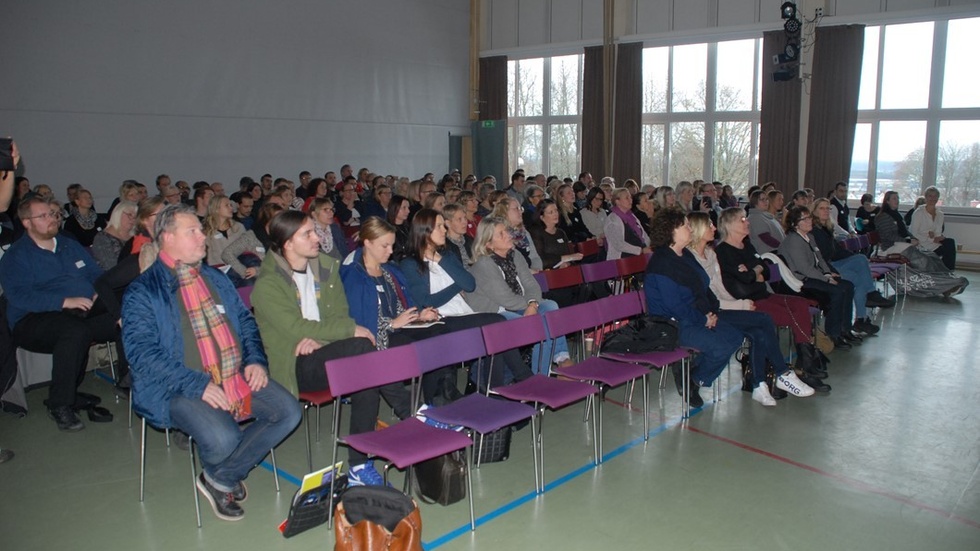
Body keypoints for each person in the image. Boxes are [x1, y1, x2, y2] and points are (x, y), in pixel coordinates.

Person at [122, 203, 301, 520]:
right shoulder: (143, 291)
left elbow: (246, 323)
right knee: (225, 438)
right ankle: (227, 468)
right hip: (178, 387)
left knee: (287, 411)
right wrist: (198, 384)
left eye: (200, 230)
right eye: (191, 231)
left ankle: (221, 476)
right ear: (166, 237)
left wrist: (256, 360)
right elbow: (142, 354)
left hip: (232, 373)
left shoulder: (214, 278)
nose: (201, 238)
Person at [251, 210, 404, 486]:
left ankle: (359, 464)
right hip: (295, 365)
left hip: (325, 351)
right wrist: (342, 332)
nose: (317, 238)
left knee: (364, 365)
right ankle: (410, 415)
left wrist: (322, 339)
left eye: (315, 231)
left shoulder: (325, 268)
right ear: (287, 243)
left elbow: (340, 315)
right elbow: (296, 329)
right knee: (361, 347)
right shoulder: (268, 285)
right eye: (307, 234)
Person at [0, 196, 124, 431]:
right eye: (43, 216)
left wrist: (99, 292)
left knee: (123, 320)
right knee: (75, 332)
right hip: (31, 319)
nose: (52, 219)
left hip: (80, 309)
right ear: (26, 222)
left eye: (53, 214)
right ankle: (60, 404)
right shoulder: (16, 256)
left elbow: (95, 274)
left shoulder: (68, 244)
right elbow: (19, 296)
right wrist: (63, 301)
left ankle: (128, 381)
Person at [686, 212, 815, 405]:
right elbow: (705, 298)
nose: (714, 228)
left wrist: (739, 300)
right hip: (706, 312)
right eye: (709, 225)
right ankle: (781, 373)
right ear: (697, 230)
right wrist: (740, 304)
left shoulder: (711, 254)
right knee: (763, 319)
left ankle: (759, 385)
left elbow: (721, 288)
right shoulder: (692, 259)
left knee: (758, 331)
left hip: (720, 306)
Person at [400, 209, 533, 393]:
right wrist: (457, 283)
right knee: (498, 322)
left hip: (465, 313)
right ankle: (523, 379)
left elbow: (469, 284)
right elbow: (428, 301)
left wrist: (439, 260)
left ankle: (494, 391)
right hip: (441, 318)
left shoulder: (446, 256)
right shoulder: (411, 263)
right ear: (425, 231)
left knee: (496, 335)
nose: (444, 230)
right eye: (439, 226)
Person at [713, 208, 829, 388]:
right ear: (729, 225)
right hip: (749, 303)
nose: (747, 222)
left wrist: (754, 271)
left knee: (800, 303)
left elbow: (765, 270)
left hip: (763, 294)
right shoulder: (723, 252)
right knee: (796, 315)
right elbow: (741, 286)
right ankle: (803, 367)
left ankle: (804, 363)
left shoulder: (747, 244)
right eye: (742, 219)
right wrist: (755, 272)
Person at [643, 209, 743, 408]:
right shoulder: (662, 263)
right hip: (672, 325)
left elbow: (702, 287)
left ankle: (693, 375)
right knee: (720, 346)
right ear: (672, 230)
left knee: (735, 337)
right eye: (685, 225)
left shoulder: (685, 255)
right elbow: (674, 306)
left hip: (695, 316)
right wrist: (704, 319)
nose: (690, 229)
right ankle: (694, 378)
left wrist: (711, 312)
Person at [465, 216, 572, 375]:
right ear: (488, 244)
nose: (508, 235)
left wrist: (533, 303)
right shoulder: (484, 264)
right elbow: (505, 298)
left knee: (551, 306)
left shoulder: (515, 255)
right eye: (501, 234)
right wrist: (530, 307)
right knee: (541, 325)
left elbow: (531, 284)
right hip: (495, 312)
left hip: (521, 305)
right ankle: (541, 376)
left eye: (506, 231)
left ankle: (561, 357)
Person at [778, 206, 858, 349]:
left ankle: (844, 329)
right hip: (801, 281)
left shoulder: (810, 237)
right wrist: (826, 279)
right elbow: (805, 269)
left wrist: (828, 273)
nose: (810, 221)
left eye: (810, 217)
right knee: (837, 291)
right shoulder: (793, 241)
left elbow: (820, 259)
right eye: (806, 219)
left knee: (848, 286)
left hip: (814, 275)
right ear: (795, 223)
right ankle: (833, 333)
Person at [811, 198, 892, 334]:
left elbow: (836, 250)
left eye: (828, 208)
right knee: (857, 279)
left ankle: (870, 295)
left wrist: (851, 256)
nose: (826, 211)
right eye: (822, 208)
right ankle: (861, 318)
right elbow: (821, 257)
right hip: (826, 267)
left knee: (860, 259)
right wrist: (831, 271)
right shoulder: (814, 230)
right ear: (814, 211)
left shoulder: (827, 228)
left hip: (834, 261)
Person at [875, 191, 967, 298]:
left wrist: (912, 238)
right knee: (925, 261)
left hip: (902, 245)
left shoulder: (896, 215)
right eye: (894, 198)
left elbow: (905, 231)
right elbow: (888, 236)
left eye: (898, 198)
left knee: (933, 257)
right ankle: (947, 283)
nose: (897, 201)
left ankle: (948, 282)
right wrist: (909, 241)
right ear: (887, 201)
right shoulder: (883, 217)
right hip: (891, 248)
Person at [220, 202, 284, 286]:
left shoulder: (285, 236)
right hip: (258, 285)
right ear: (267, 218)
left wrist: (258, 270)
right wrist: (244, 271)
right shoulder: (251, 236)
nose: (281, 220)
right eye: (277, 217)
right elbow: (227, 254)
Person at [910, 186, 957, 270]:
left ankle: (948, 271)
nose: (933, 198)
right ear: (926, 197)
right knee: (947, 246)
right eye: (930, 196)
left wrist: (938, 237)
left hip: (934, 243)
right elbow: (913, 233)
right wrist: (931, 238)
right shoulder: (919, 212)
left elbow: (937, 232)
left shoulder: (940, 214)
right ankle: (944, 270)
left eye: (935, 196)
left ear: (938, 198)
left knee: (950, 242)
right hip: (921, 244)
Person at [492, 197, 543, 272]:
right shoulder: (500, 235)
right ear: (504, 212)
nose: (521, 212)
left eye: (520, 208)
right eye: (516, 209)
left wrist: (537, 270)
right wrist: (528, 273)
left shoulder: (523, 232)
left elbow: (534, 257)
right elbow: (507, 264)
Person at [530, 199, 583, 270]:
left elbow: (569, 254)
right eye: (551, 212)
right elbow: (540, 260)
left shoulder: (561, 232)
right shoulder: (536, 233)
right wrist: (562, 259)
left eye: (556, 210)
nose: (555, 214)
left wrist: (568, 262)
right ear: (542, 217)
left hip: (567, 269)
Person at [604, 188, 651, 260]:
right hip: (622, 260)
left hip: (639, 255)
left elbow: (643, 235)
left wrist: (650, 246)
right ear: (617, 201)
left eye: (630, 197)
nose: (630, 200)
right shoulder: (613, 220)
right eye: (627, 198)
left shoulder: (632, 216)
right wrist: (641, 250)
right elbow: (618, 244)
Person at [203, 195, 247, 272]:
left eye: (231, 205)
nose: (231, 208)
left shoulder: (238, 227)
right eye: (227, 205)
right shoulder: (206, 231)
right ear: (216, 209)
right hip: (218, 270)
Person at [92, 201, 137, 270]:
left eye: (135, 217)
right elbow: (111, 267)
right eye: (129, 215)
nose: (133, 219)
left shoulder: (136, 236)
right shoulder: (102, 238)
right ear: (118, 214)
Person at [442, 203, 474, 267]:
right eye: (459, 219)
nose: (464, 222)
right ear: (448, 223)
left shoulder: (470, 241)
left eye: (465, 218)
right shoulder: (443, 246)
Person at [386, 194, 412, 263]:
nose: (408, 211)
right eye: (404, 208)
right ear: (394, 208)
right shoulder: (386, 229)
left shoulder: (409, 227)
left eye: (408, 207)